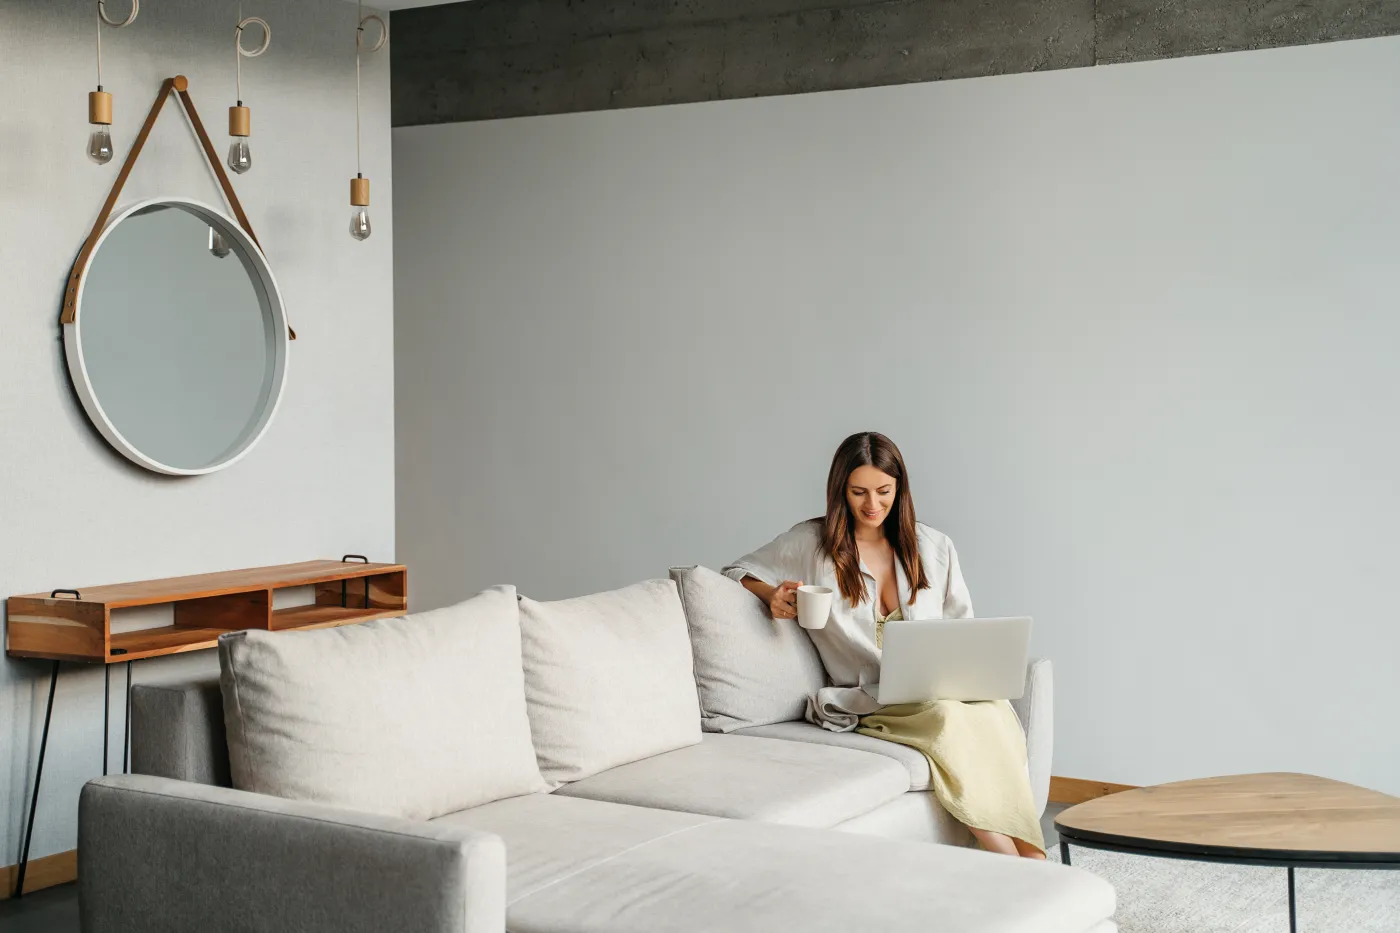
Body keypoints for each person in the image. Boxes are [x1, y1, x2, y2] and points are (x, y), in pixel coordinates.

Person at [723, 431, 1045, 858]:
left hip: (938, 687)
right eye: (858, 492)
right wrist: (772, 596)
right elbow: (733, 570)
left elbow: (961, 627)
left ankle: (1029, 850)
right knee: (948, 719)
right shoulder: (810, 544)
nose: (871, 505)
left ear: (900, 490)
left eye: (883, 492)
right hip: (871, 698)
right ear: (841, 491)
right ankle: (1013, 858)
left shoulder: (934, 547)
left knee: (995, 712)